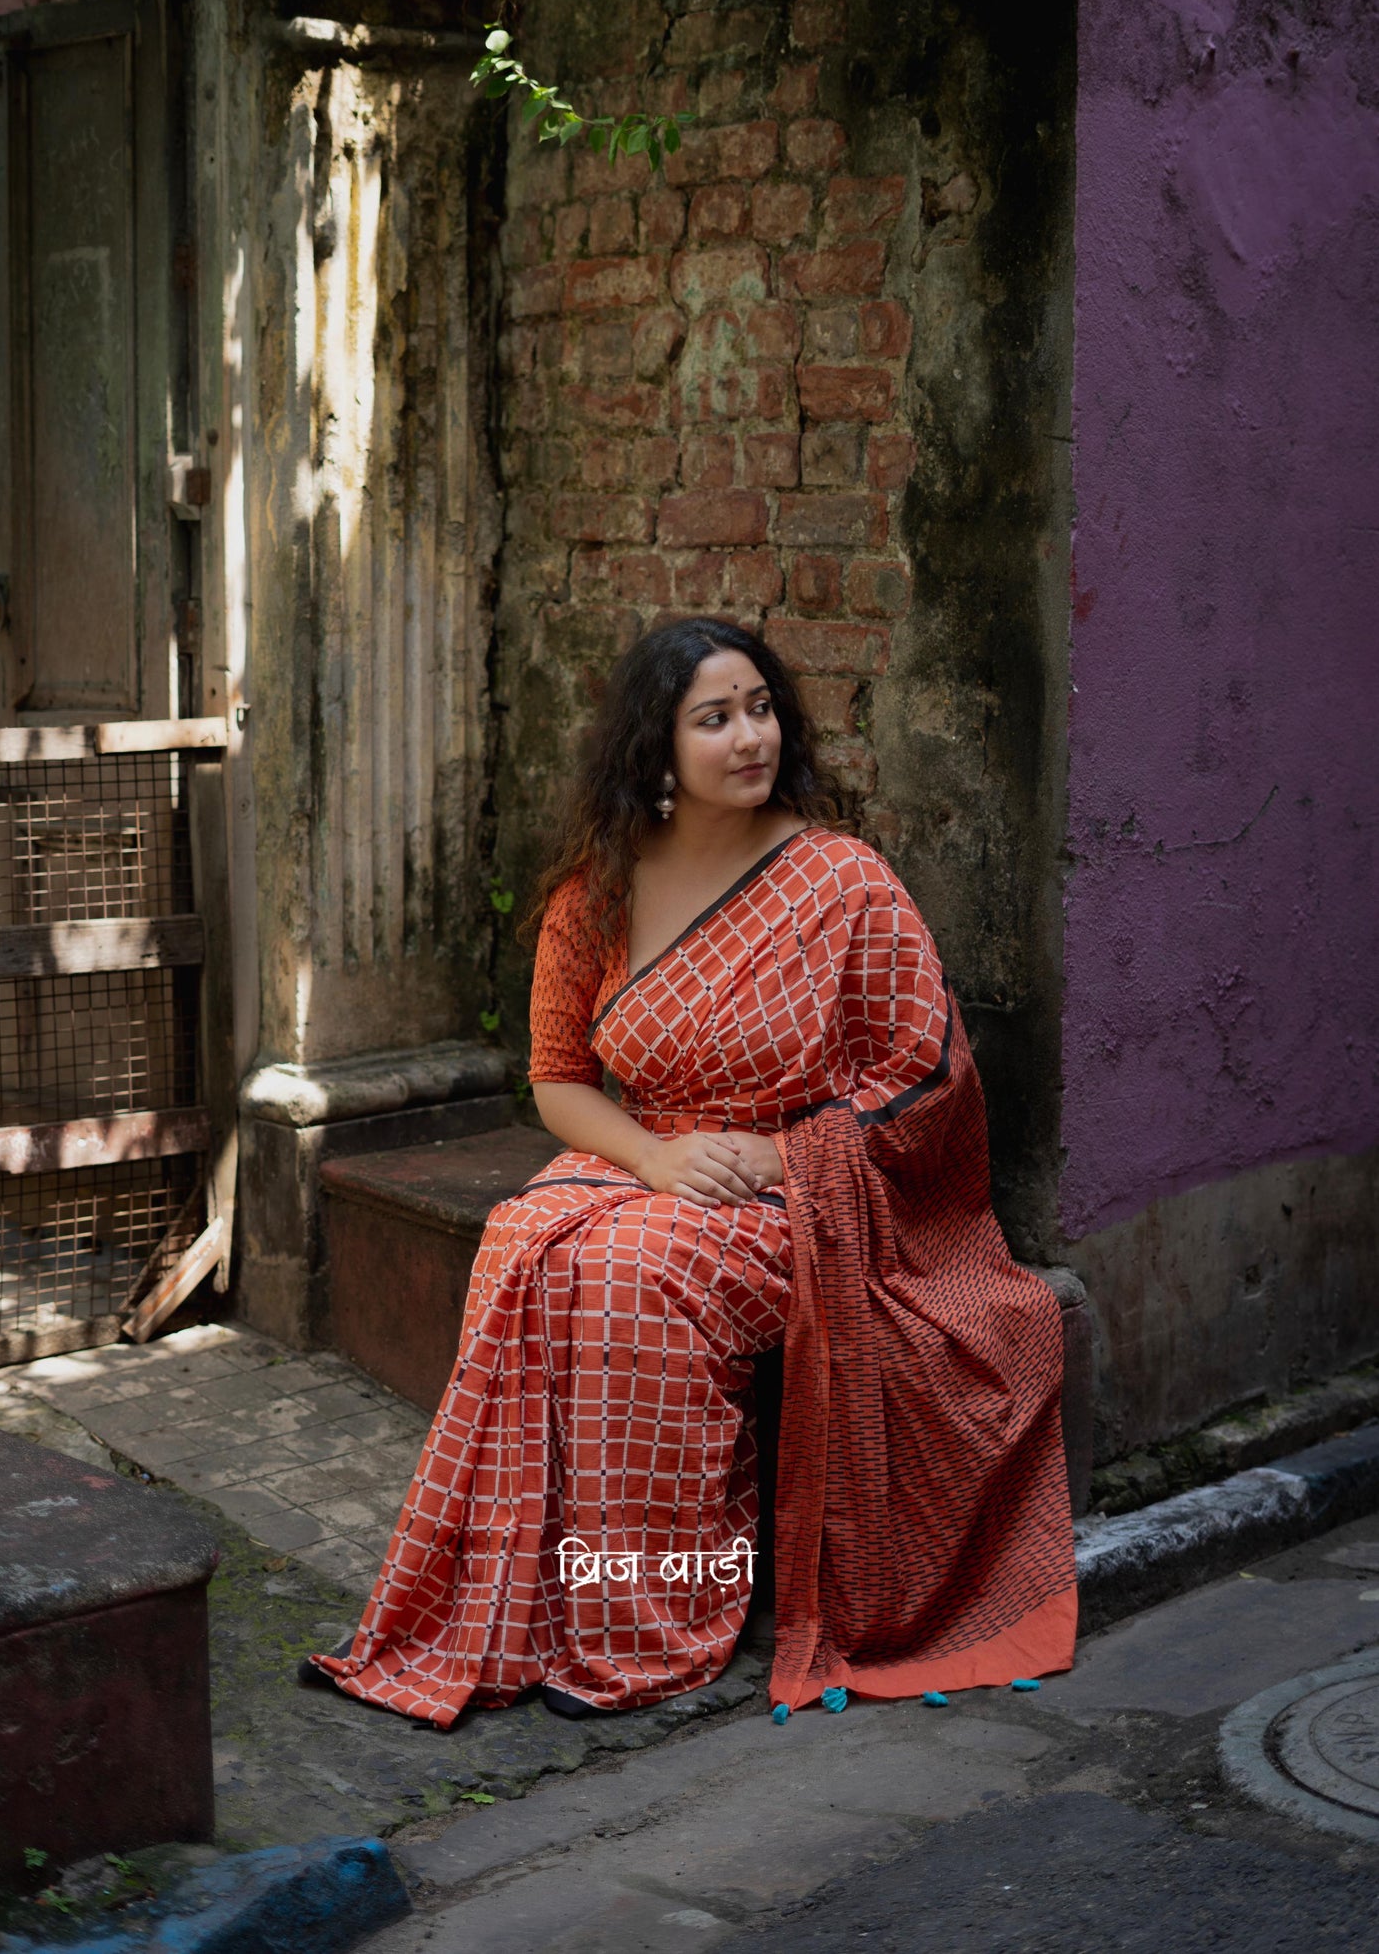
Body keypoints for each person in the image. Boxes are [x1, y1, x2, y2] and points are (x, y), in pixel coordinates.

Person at [306, 617, 1076, 1726]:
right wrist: (656, 1156)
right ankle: (534, 1611)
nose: (746, 736)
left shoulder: (842, 884)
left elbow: (924, 1069)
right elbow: (560, 1080)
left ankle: (652, 1628)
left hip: (803, 1193)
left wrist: (782, 1154)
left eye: (759, 708)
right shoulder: (597, 895)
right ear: (653, 749)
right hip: (650, 1160)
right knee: (521, 1251)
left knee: (632, 1278)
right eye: (712, 719)